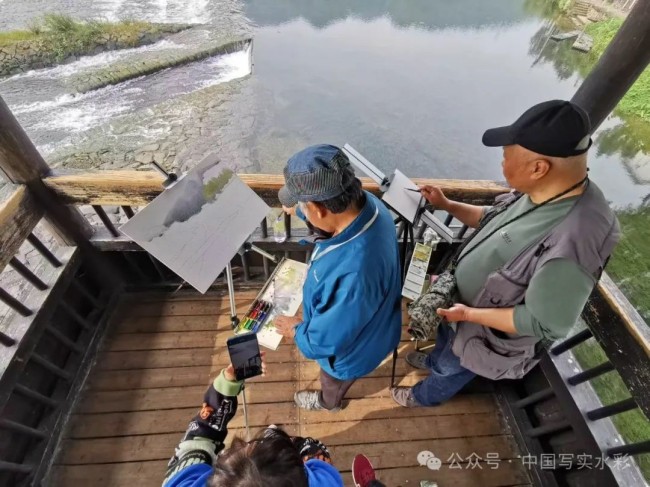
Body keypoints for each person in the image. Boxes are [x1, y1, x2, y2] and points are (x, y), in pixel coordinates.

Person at [391, 100, 620, 408]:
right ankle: (433, 360)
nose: (501, 163)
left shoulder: (576, 238)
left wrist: (468, 314)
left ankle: (423, 396)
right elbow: (494, 221)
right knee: (443, 351)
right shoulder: (546, 190)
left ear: (538, 167)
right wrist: (449, 205)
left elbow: (545, 323)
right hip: (457, 312)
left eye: (505, 155)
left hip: (481, 334)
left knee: (451, 369)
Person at [273, 144, 402, 411]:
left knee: (333, 380)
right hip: (378, 325)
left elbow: (323, 342)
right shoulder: (370, 205)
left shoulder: (354, 273)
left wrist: (295, 329)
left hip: (352, 352)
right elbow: (325, 213)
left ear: (319, 210)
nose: (301, 210)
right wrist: (298, 210)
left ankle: (328, 403)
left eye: (303, 206)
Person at [162, 356, 345, 487]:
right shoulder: (324, 479)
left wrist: (226, 385)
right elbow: (315, 452)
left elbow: (199, 436)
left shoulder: (182, 481)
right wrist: (290, 443)